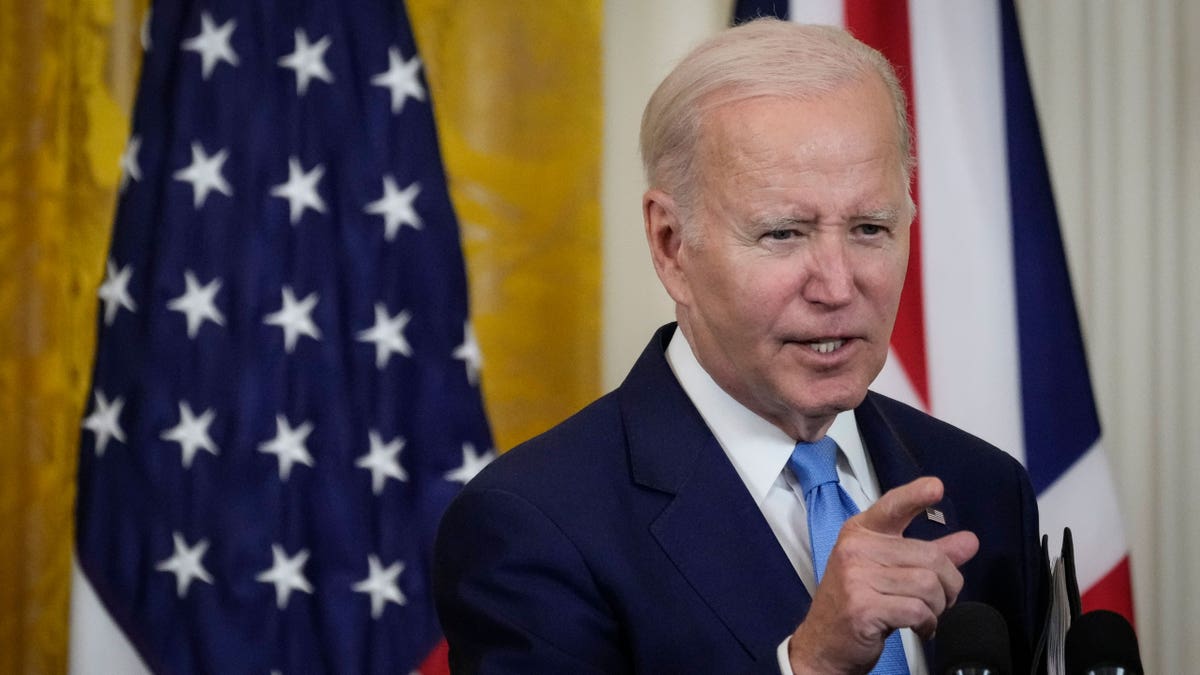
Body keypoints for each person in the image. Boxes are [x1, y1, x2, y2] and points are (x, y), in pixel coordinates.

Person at [434, 18, 1048, 675]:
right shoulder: (532, 524)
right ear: (671, 245)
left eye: (871, 227)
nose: (838, 286)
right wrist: (808, 664)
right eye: (784, 233)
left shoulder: (986, 488)